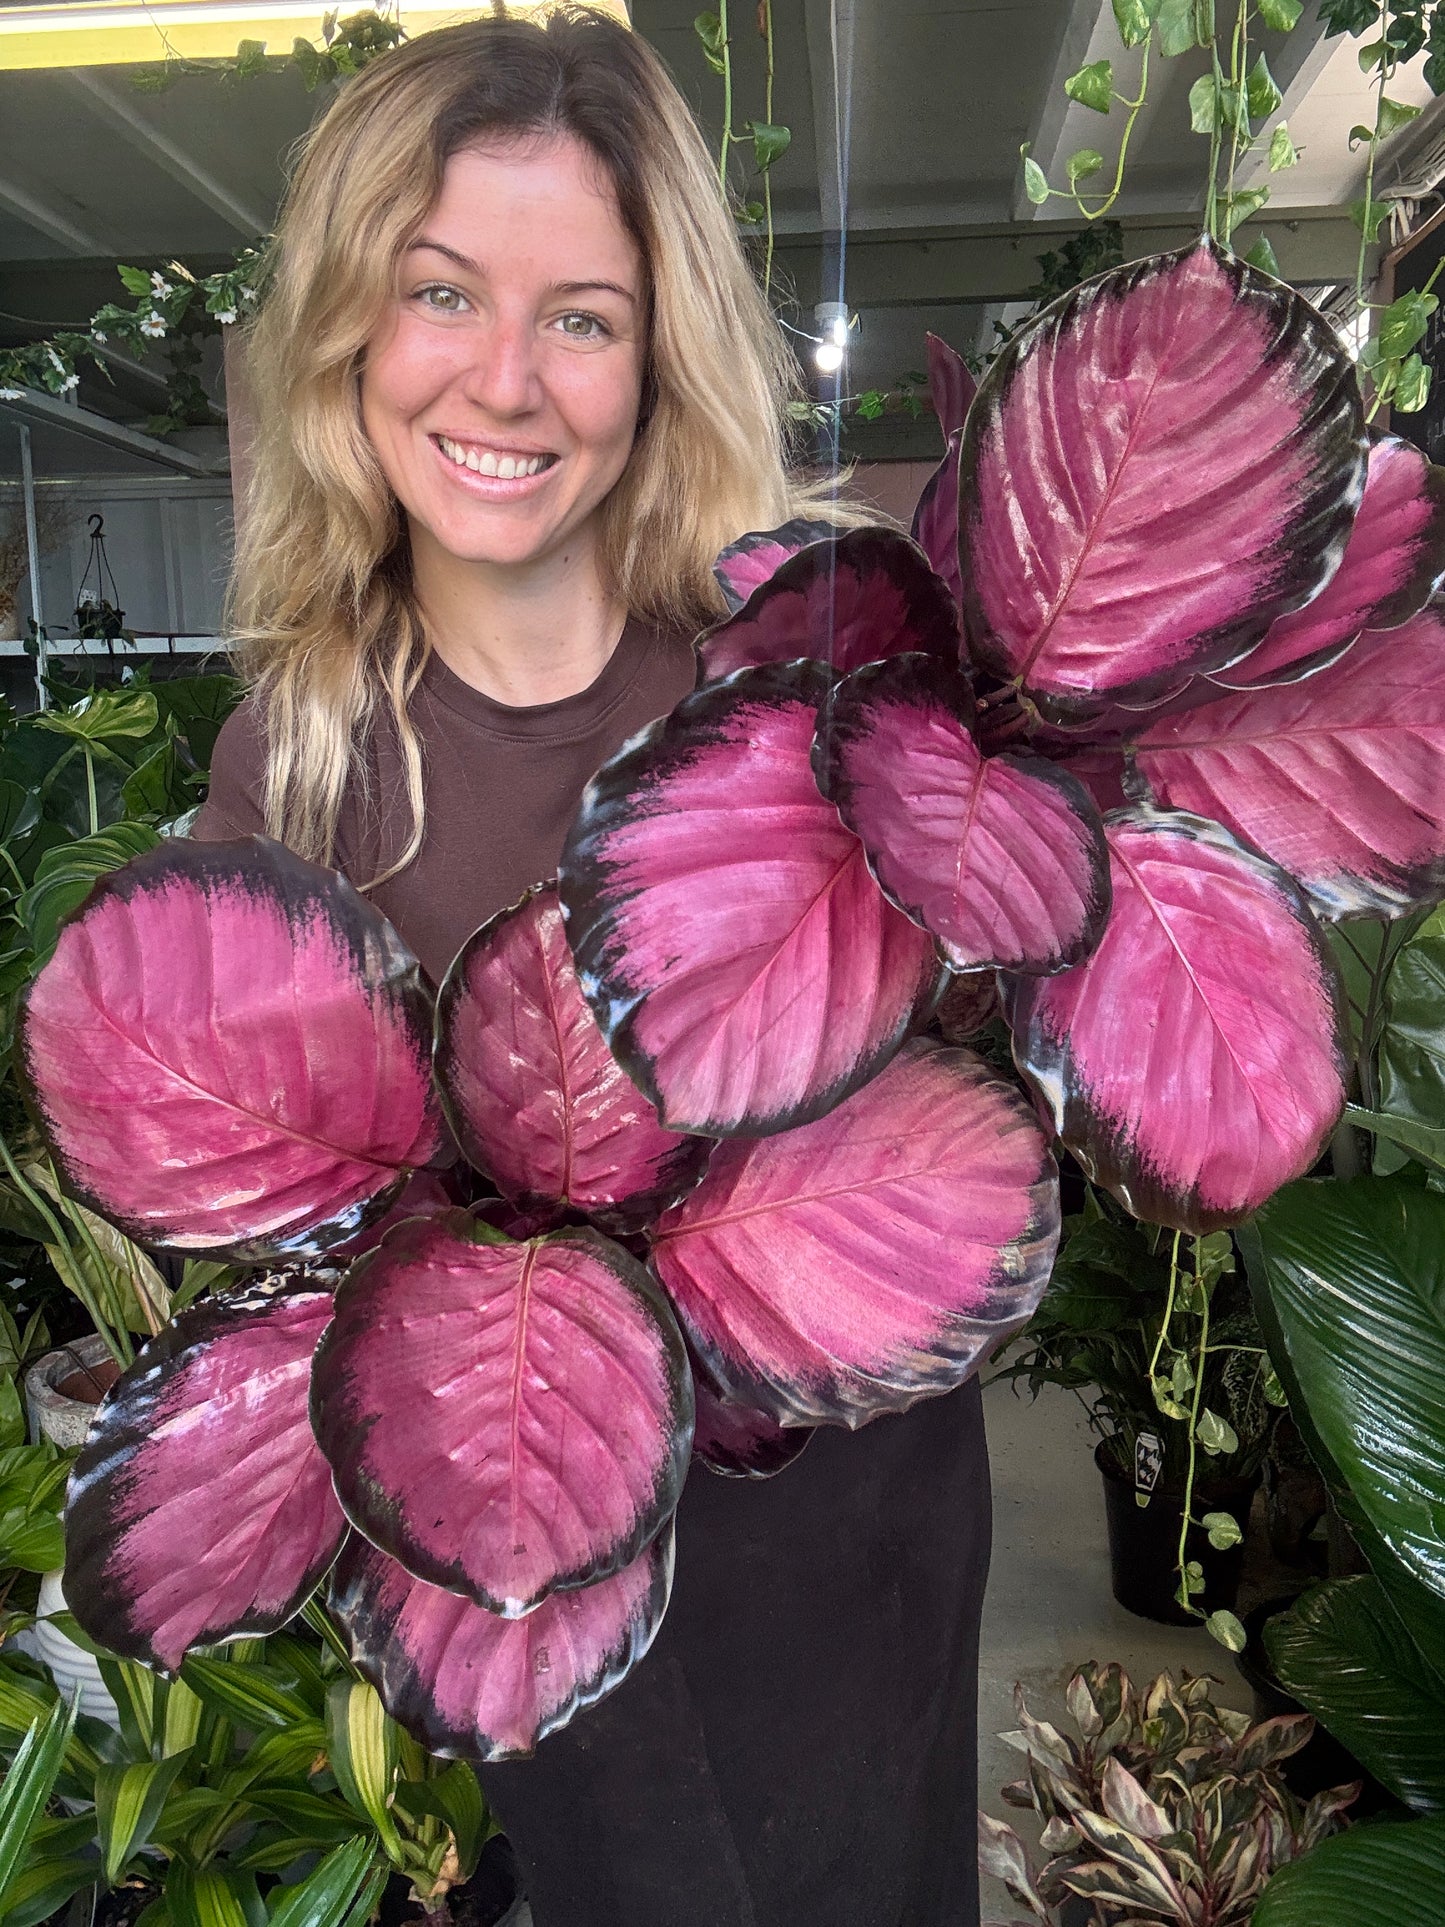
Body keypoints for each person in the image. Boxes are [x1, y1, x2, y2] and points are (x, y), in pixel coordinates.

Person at [194, 9, 991, 1924]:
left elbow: (951, 1140)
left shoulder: (797, 684)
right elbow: (266, 1237)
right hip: (512, 1549)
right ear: (346, 337)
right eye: (438, 292)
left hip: (831, 1532)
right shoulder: (293, 765)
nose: (504, 378)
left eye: (581, 314)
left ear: (655, 357)